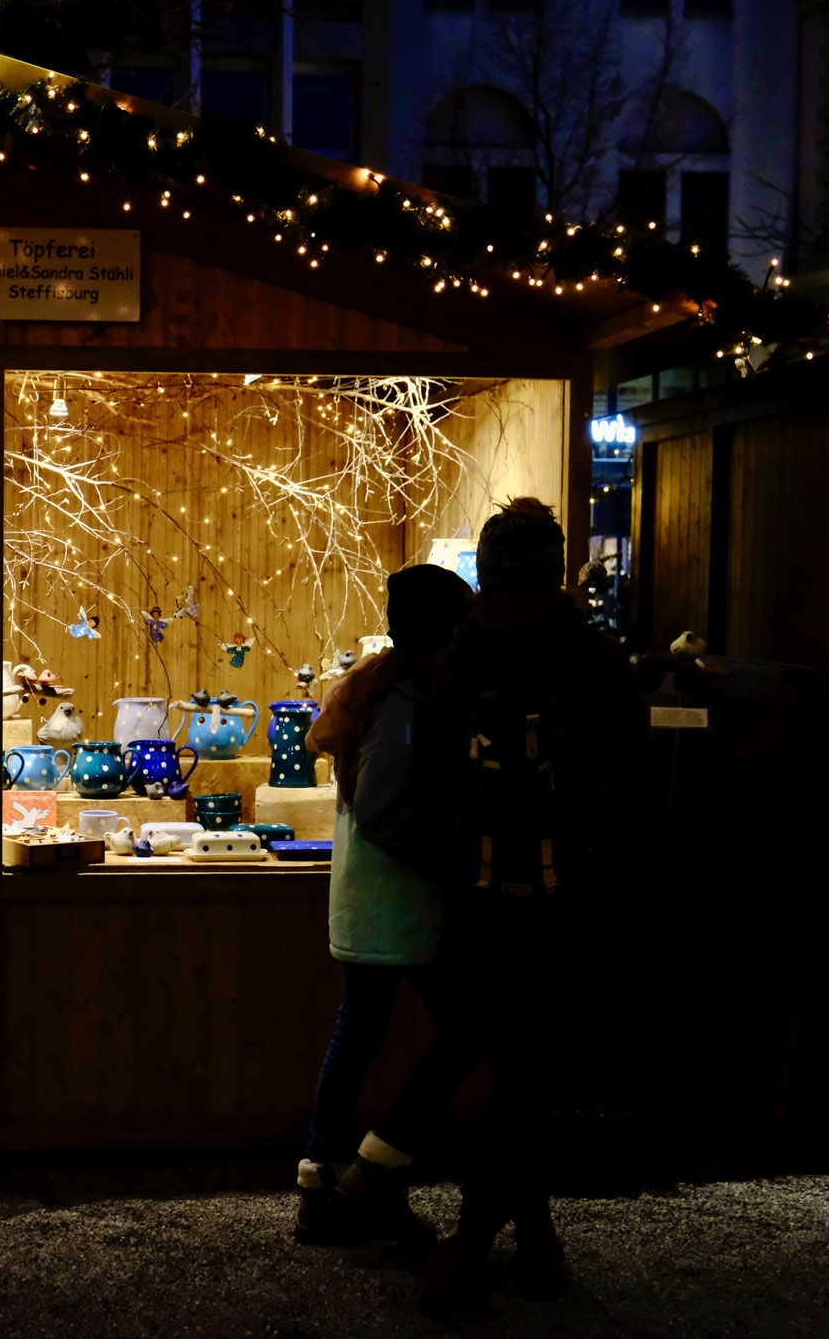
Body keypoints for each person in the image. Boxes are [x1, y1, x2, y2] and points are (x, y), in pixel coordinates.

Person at [420, 498, 643, 1314]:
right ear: (555, 567)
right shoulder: (595, 654)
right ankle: (526, 1238)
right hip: (573, 900)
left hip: (479, 902)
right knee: (531, 1069)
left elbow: (426, 779)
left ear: (485, 566)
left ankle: (490, 1239)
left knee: (513, 1066)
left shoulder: (458, 656)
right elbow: (630, 771)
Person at [293, 562, 475, 1247]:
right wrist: (448, 865)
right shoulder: (407, 698)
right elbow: (383, 808)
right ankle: (377, 1162)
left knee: (358, 1032)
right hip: (397, 898)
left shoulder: (380, 684)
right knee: (466, 1026)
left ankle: (325, 1181)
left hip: (370, 898)